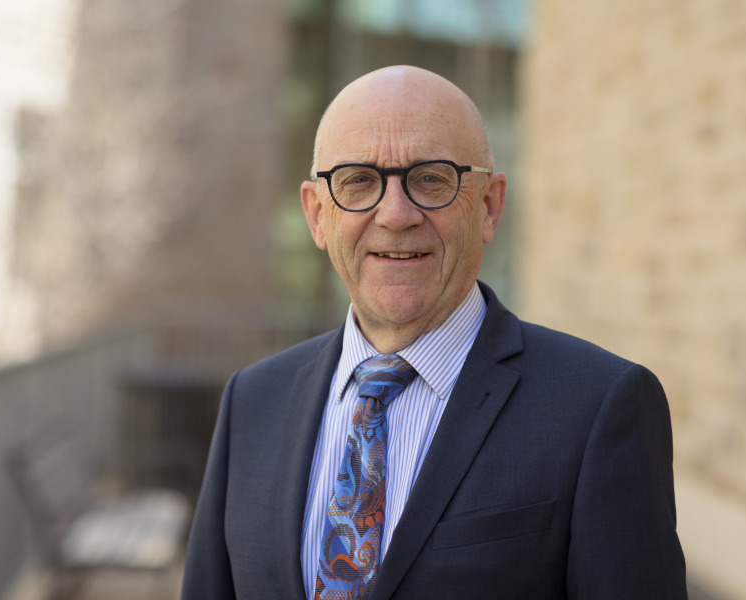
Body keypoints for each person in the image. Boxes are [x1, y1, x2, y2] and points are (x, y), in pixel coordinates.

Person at [182, 65, 687, 600]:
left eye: (430, 179)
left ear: (489, 206)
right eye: (358, 180)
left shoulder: (598, 407)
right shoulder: (252, 401)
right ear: (317, 216)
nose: (396, 215)